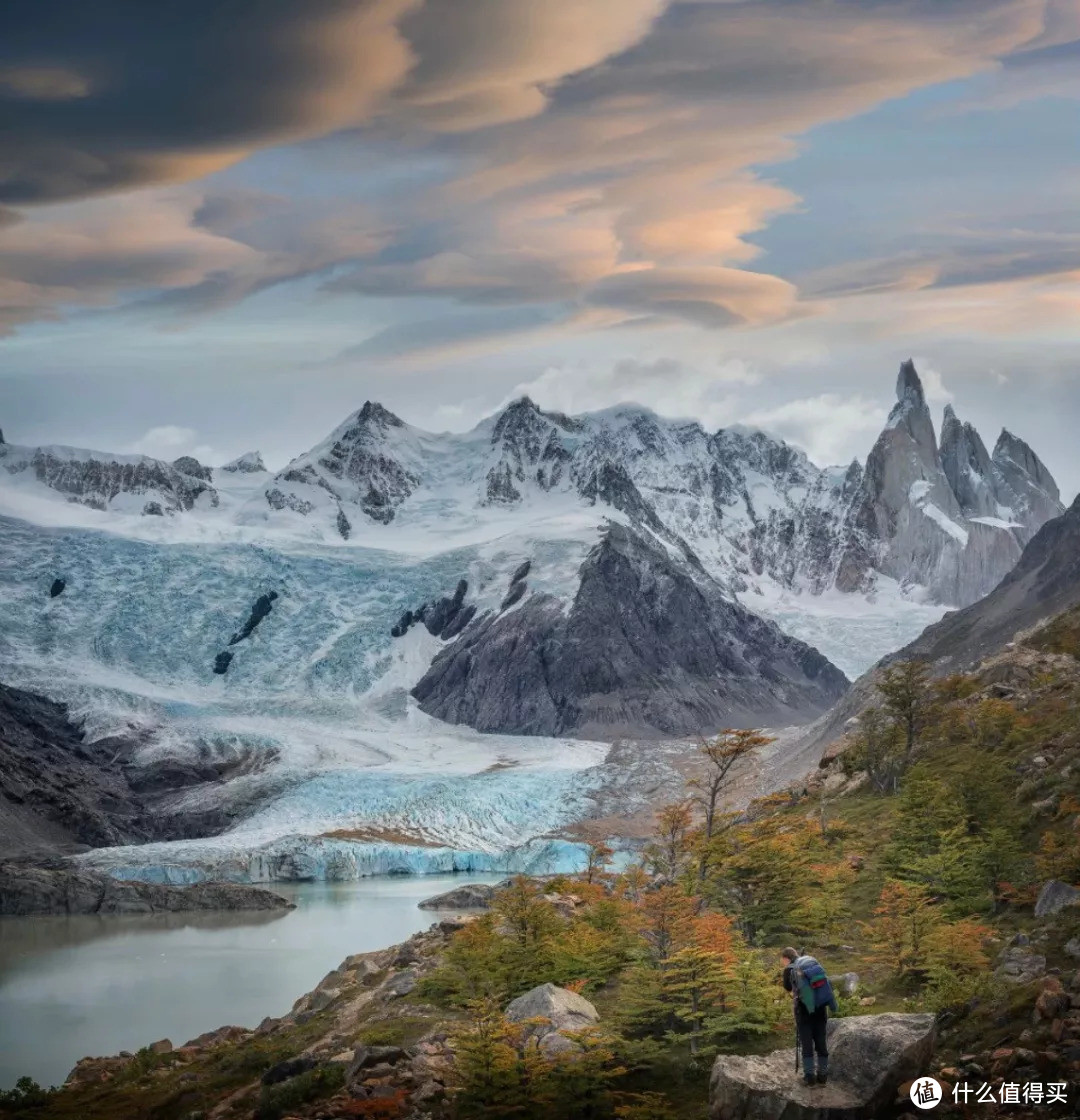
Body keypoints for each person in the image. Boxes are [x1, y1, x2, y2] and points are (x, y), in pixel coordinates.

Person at [781, 947, 837, 1087]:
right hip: (820, 1009)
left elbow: (787, 987)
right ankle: (823, 1076)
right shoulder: (811, 962)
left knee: (807, 1043)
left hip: (803, 1011)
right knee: (821, 1041)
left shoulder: (789, 969)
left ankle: (809, 1077)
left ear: (786, 958)